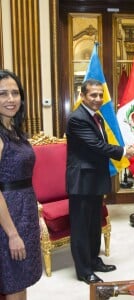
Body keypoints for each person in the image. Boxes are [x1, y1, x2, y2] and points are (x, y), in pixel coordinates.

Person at [66, 78, 134, 284]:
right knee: (81, 228)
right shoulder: (77, 118)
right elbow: (96, 145)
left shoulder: (98, 117)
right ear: (83, 96)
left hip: (95, 179)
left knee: (94, 225)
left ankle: (94, 261)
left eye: (100, 95)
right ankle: (84, 271)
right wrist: (123, 151)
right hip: (81, 181)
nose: (97, 99)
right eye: (92, 95)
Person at [0, 70, 42, 299]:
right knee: (14, 278)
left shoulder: (14, 130)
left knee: (22, 277)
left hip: (24, 212)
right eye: (3, 93)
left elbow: (24, 179)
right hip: (8, 219)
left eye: (15, 93)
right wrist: (12, 234)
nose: (11, 99)